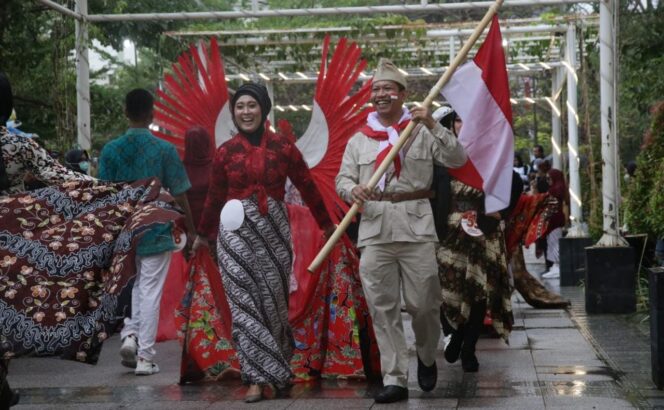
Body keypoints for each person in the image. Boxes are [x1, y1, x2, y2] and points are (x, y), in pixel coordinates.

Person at [192, 83, 335, 403]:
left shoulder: (284, 148)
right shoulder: (225, 151)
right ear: (234, 112)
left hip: (274, 232)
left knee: (273, 304)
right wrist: (202, 235)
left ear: (264, 109)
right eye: (240, 106)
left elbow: (307, 186)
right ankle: (255, 378)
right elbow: (214, 197)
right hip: (234, 232)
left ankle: (279, 370)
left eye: (251, 105)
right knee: (243, 305)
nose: (246, 111)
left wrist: (328, 225)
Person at [336, 59, 466, 404]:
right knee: (382, 306)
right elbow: (342, 179)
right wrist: (353, 191)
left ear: (401, 94)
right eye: (375, 90)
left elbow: (457, 159)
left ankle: (425, 355)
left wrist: (434, 126)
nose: (380, 95)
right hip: (376, 228)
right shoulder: (360, 139)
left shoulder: (420, 129)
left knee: (424, 303)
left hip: (416, 227)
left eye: (387, 89)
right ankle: (395, 376)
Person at [98, 88, 197, 376]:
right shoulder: (164, 150)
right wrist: (189, 229)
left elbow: (104, 196)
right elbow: (180, 194)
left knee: (134, 287)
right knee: (150, 291)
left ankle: (130, 335)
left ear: (125, 113)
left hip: (124, 232)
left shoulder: (110, 151)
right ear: (152, 113)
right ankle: (145, 357)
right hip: (155, 229)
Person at [436, 110, 514, 374]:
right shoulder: (441, 155)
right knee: (445, 288)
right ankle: (453, 335)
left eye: (467, 119)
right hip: (447, 232)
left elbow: (513, 183)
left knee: (478, 290)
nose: (463, 124)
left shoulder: (491, 155)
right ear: (450, 125)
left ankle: (468, 349)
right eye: (457, 120)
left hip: (484, 230)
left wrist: (496, 213)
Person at [1, 72, 93, 196]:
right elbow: (59, 175)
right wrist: (112, 185)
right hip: (12, 213)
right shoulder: (20, 146)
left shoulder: (21, 145)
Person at [182, 126, 214, 229]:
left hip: (187, 227)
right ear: (206, 142)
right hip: (213, 226)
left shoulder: (179, 170)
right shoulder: (216, 167)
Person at [541, 168, 569, 279]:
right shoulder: (560, 189)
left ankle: (557, 265)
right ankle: (555, 265)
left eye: (549, 178)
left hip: (554, 219)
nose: (548, 180)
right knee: (552, 242)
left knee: (554, 242)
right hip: (555, 219)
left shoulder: (555, 190)